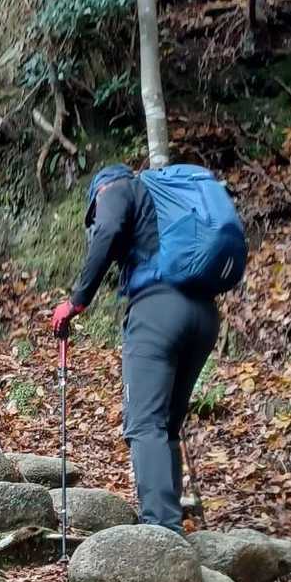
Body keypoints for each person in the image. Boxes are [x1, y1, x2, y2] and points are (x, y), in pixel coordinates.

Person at [52, 162, 223, 533]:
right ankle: (169, 522)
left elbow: (109, 229)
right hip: (205, 315)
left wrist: (77, 301)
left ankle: (160, 530)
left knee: (145, 423)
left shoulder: (116, 188)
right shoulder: (169, 204)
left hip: (158, 312)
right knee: (167, 424)